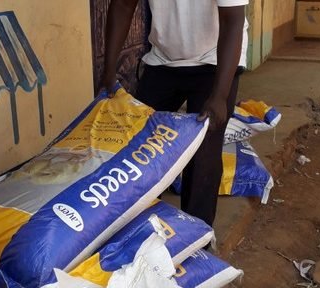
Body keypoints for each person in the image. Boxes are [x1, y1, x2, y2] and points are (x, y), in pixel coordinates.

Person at [100, 0, 249, 226]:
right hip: (163, 59)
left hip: (215, 61)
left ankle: (197, 238)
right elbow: (122, 5)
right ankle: (141, 231)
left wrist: (219, 95)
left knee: (202, 154)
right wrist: (108, 73)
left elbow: (233, 21)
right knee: (140, 147)